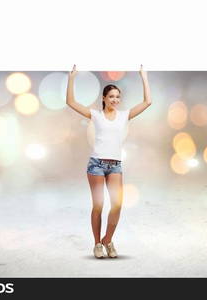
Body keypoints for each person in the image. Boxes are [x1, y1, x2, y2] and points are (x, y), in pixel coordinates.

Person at [66, 64, 152, 258]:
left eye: (117, 97)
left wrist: (143, 76)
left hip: (115, 166)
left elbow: (148, 102)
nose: (115, 99)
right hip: (96, 165)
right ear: (104, 98)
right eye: (111, 96)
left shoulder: (124, 116)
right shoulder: (95, 115)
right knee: (98, 205)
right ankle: (97, 244)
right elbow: (70, 102)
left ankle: (108, 240)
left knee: (117, 205)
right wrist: (72, 78)